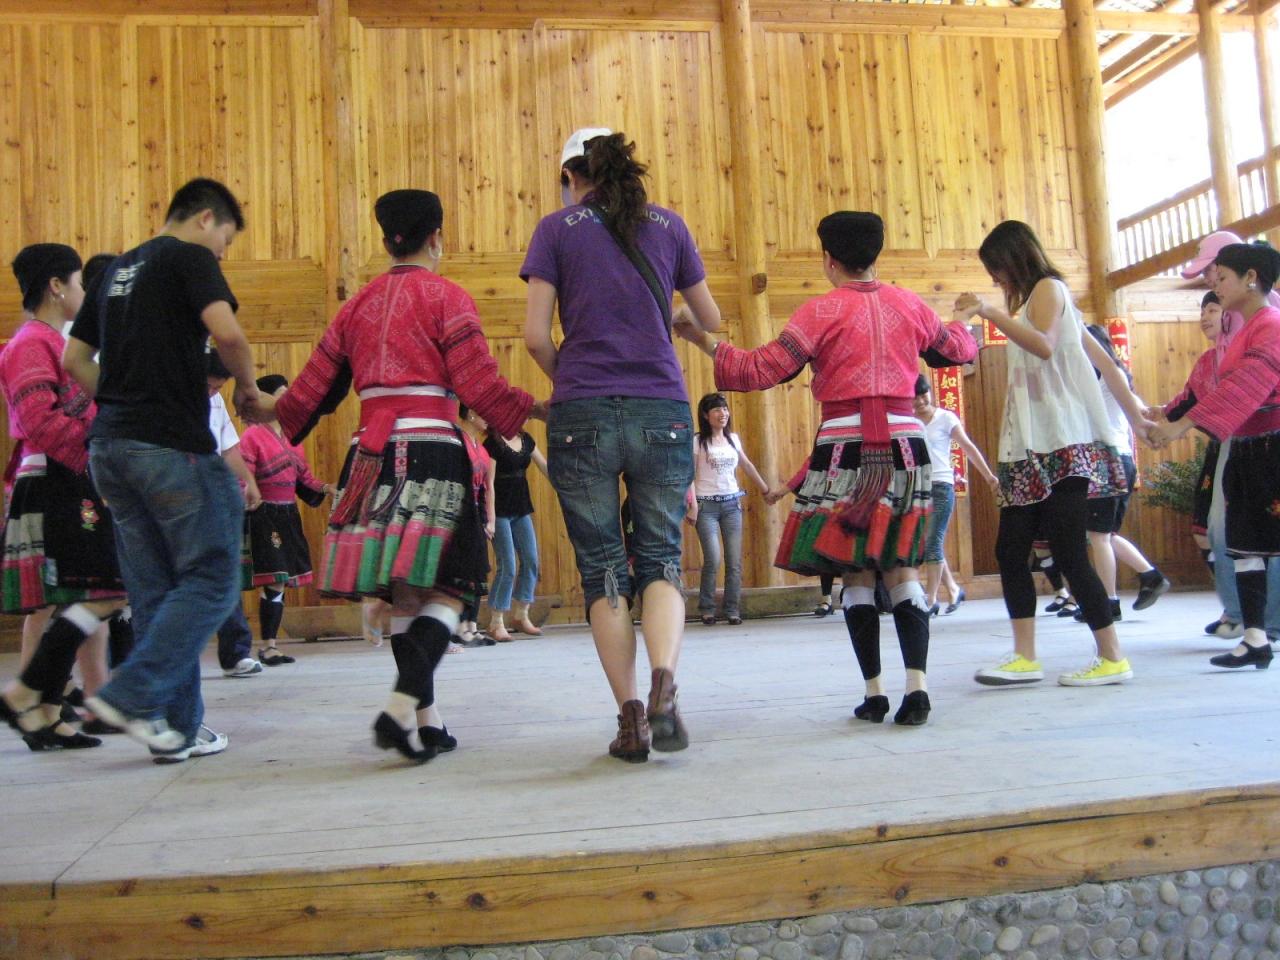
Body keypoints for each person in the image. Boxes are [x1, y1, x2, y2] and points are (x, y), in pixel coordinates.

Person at [261, 188, 538, 762]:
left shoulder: (356, 306)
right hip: (432, 447)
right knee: (453, 587)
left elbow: (310, 393)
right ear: (436, 237)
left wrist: (267, 410)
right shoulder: (448, 298)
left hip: (369, 454)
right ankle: (398, 707)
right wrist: (537, 408)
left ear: (387, 239)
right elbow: (479, 385)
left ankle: (427, 721)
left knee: (404, 594)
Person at [683, 210, 978, 727]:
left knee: (855, 570)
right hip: (906, 446)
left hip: (843, 447)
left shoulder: (819, 312)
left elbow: (758, 370)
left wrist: (698, 337)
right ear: (876, 253)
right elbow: (957, 348)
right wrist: (965, 318)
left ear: (828, 259)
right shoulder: (909, 304)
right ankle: (918, 689)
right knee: (902, 566)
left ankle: (874, 693)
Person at [523, 128, 721, 761]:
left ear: (570, 175)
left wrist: (572, 381)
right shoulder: (669, 225)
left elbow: (535, 337)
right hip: (661, 405)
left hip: (581, 411)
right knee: (661, 557)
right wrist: (671, 320)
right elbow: (711, 319)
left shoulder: (556, 229)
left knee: (603, 567)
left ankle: (631, 719)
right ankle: (665, 680)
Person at [65, 178, 261, 763]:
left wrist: (121, 399)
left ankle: (175, 729)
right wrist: (248, 388)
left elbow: (75, 359)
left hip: (110, 449)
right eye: (226, 241)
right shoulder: (189, 257)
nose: (221, 254)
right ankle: (131, 695)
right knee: (213, 579)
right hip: (170, 447)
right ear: (206, 219)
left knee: (155, 591)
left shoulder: (115, 270)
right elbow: (228, 333)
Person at [957, 221, 1152, 689]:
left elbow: (1045, 347)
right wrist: (1139, 418)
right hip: (1028, 446)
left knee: (1068, 551)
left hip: (1064, 444)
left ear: (1013, 258)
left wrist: (987, 311)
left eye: (996, 269)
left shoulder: (1049, 288)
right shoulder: (1035, 301)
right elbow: (1105, 365)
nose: (995, 279)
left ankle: (1112, 656)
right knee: (1010, 550)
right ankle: (1025, 656)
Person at [0, 244, 127, 751]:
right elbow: (38, 420)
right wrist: (97, 450)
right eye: (77, 282)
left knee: (88, 594)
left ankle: (47, 710)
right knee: (90, 595)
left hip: (70, 477)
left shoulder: (56, 342)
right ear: (56, 286)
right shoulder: (32, 343)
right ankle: (32, 701)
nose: (83, 292)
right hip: (54, 478)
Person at [1150, 242, 1280, 669]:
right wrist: (1166, 417)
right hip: (1246, 446)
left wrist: (1178, 426)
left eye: (1221, 277)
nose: (1215, 286)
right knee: (1244, 544)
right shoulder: (1243, 331)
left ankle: (1263, 630)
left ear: (1251, 278)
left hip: (1273, 446)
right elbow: (1211, 389)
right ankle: (1255, 637)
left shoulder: (1271, 324)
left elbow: (1246, 385)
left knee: (1265, 541)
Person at [1077, 325, 1170, 618]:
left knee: (1099, 536)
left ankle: (1109, 603)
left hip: (1104, 459)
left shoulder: (1099, 375)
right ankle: (1150, 576)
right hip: (1123, 460)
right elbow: (1139, 409)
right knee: (1104, 533)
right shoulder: (1117, 376)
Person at [239, 373, 332, 664]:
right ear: (264, 399)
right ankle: (268, 646)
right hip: (264, 514)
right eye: (281, 392)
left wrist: (327, 488)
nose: (288, 397)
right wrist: (248, 497)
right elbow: (243, 476)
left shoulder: (293, 436)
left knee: (279, 582)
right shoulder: (252, 435)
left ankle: (270, 645)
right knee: (275, 580)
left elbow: (303, 478)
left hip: (288, 514)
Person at [911, 375, 997, 615]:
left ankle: (931, 600)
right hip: (918, 489)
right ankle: (953, 588)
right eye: (915, 397)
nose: (920, 401)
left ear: (930, 392)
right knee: (929, 542)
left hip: (941, 485)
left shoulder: (946, 418)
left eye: (924, 395)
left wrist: (989, 476)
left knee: (933, 541)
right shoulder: (910, 422)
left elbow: (968, 446)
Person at [692, 392, 769, 626]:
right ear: (706, 415)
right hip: (705, 506)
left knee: (734, 561)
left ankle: (732, 609)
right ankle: (707, 608)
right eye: (717, 409)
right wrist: (691, 505)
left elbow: (747, 465)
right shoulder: (697, 441)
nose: (723, 413)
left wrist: (766, 490)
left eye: (725, 409)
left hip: (731, 505)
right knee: (713, 558)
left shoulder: (733, 439)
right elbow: (689, 475)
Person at [480, 411, 547, 641]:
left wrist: (565, 486)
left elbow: (544, 466)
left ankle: (521, 614)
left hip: (521, 508)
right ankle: (496, 621)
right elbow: (489, 484)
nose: (525, 418)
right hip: (499, 511)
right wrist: (490, 517)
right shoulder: (492, 444)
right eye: (522, 414)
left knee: (531, 560)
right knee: (508, 565)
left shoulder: (526, 440)